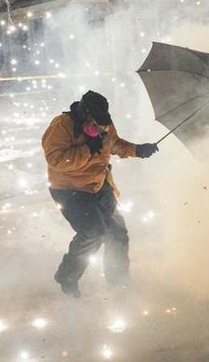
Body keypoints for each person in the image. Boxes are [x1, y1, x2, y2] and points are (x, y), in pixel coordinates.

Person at [41, 90, 159, 298]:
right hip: (69, 190)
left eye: (105, 123)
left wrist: (138, 150)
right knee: (93, 232)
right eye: (97, 124)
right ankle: (67, 277)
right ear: (85, 114)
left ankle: (119, 283)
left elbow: (113, 144)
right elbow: (56, 160)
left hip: (99, 185)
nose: (103, 127)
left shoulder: (104, 123)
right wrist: (88, 150)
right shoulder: (62, 126)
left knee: (117, 233)